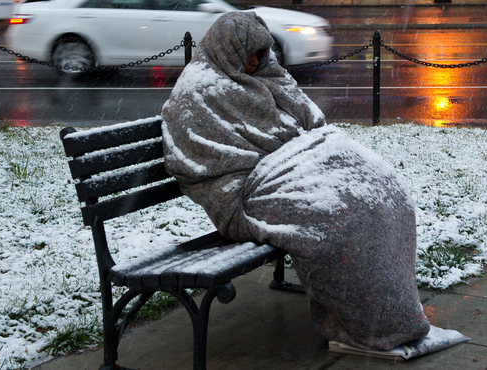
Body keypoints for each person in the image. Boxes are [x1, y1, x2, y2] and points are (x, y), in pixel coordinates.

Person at [161, 11, 430, 351]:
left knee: (385, 191)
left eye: (261, 53)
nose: (255, 62)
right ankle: (369, 325)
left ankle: (392, 314)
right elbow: (208, 162)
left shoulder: (271, 77)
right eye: (248, 54)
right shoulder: (197, 94)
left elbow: (311, 125)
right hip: (247, 193)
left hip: (292, 166)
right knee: (338, 218)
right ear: (224, 50)